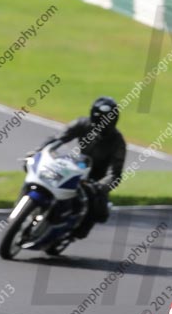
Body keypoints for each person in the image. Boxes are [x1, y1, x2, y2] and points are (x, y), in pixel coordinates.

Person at [41, 97, 126, 240]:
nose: (103, 123)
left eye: (108, 119)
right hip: (74, 166)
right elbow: (59, 138)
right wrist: (40, 150)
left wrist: (100, 186)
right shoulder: (82, 124)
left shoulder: (118, 142)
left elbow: (115, 174)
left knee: (99, 210)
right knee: (46, 178)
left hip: (96, 179)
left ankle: (72, 232)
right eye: (100, 119)